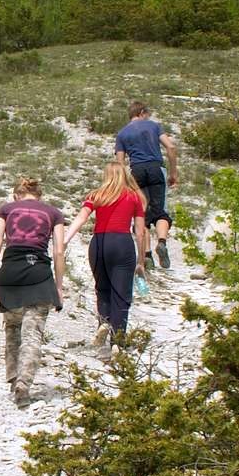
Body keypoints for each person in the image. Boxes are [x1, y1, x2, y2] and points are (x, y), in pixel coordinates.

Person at [0, 177, 67, 406]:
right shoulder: (54, 213)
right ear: (40, 195)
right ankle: (24, 383)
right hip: (38, 274)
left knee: (12, 328)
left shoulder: (6, 209)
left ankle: (13, 377)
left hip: (9, 273)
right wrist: (59, 286)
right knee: (33, 334)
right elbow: (59, 251)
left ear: (16, 195)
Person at [58, 160, 148, 358]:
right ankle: (117, 342)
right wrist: (141, 261)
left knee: (102, 289)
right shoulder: (134, 197)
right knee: (121, 294)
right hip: (122, 243)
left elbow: (81, 218)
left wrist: (65, 240)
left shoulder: (96, 195)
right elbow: (140, 232)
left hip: (98, 243)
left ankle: (104, 323)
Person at [114, 101, 179, 270]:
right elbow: (171, 147)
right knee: (161, 211)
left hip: (136, 171)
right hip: (156, 168)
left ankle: (147, 255)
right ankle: (162, 242)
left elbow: (120, 163)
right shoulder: (154, 126)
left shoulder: (122, 134)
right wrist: (173, 173)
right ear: (142, 112)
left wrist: (124, 183)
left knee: (141, 214)